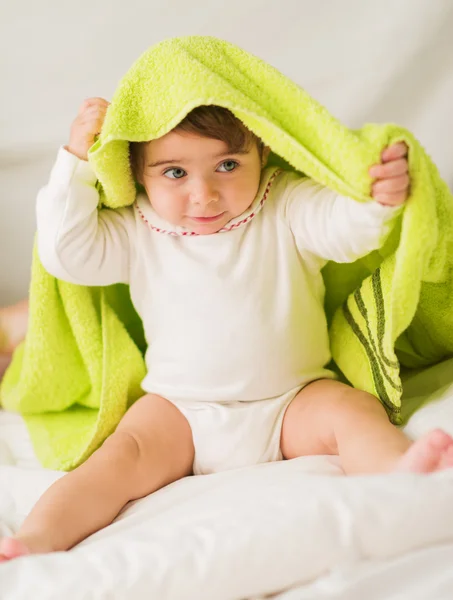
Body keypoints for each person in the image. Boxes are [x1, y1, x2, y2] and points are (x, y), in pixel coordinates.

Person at [1, 96, 453, 563]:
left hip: (290, 402)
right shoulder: (137, 229)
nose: (204, 193)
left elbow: (345, 228)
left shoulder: (285, 203)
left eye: (228, 164)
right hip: (179, 412)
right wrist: (75, 163)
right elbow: (64, 252)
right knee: (116, 461)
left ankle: (398, 476)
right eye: (174, 172)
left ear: (262, 148)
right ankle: (37, 537)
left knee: (352, 411)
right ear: (138, 172)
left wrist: (378, 201)